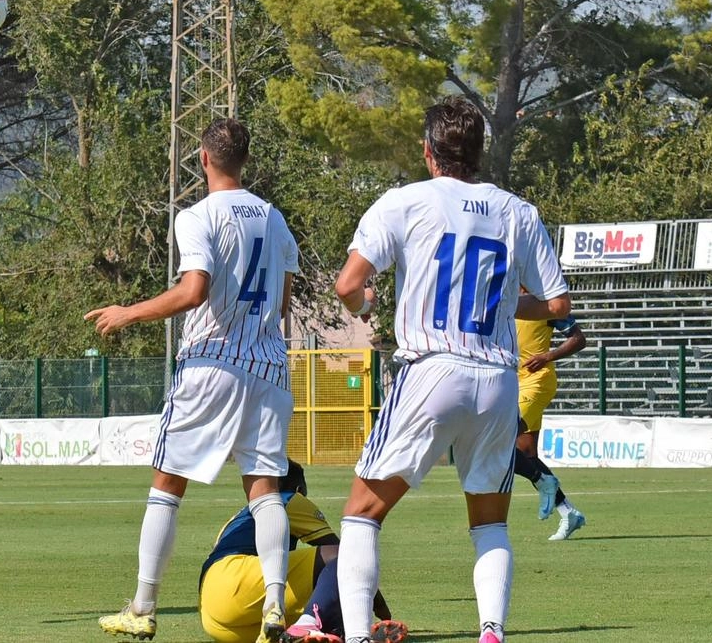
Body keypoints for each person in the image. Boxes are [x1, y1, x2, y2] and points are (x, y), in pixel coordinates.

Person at [332, 96, 572, 643]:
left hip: (432, 368)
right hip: (496, 380)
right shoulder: (519, 211)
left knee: (361, 515)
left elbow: (348, 286)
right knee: (489, 522)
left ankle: (355, 636)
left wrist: (365, 306)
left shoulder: (405, 201)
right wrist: (500, 299)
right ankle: (491, 633)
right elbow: (557, 305)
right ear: (479, 152)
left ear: (428, 151)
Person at [87, 118, 300, 643]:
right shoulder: (276, 220)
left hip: (212, 362)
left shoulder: (198, 215)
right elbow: (285, 300)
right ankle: (273, 604)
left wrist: (127, 313)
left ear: (203, 158)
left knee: (167, 484)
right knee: (265, 488)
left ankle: (142, 606)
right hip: (269, 365)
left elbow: (194, 289)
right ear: (243, 160)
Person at [199, 460, 407, 643]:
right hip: (237, 582)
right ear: (298, 487)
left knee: (324, 600)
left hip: (216, 620)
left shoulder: (238, 519)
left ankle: (335, 632)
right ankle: (310, 624)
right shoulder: (290, 498)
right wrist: (378, 605)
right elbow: (350, 557)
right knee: (343, 558)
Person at [513, 314, 587, 540]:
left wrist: (547, 356)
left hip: (536, 381)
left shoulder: (546, 305)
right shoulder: (503, 299)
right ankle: (568, 512)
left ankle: (542, 480)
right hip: (511, 382)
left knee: (500, 439)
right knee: (526, 454)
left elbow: (578, 339)